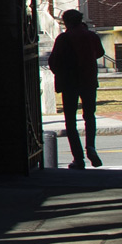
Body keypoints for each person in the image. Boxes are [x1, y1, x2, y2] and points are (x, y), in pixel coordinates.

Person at [47, 10, 105, 170]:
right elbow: (100, 52)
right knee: (89, 116)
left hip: (69, 82)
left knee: (71, 121)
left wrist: (59, 72)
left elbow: (54, 60)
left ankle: (78, 158)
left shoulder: (64, 38)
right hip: (88, 81)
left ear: (66, 22)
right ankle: (91, 147)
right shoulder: (91, 36)